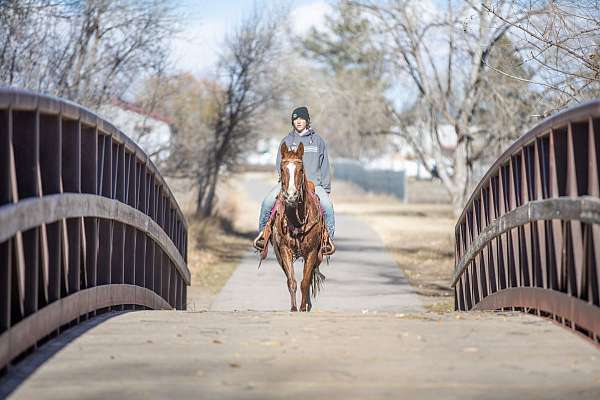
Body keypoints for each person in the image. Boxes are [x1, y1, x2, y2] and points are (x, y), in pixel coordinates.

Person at [253, 106, 335, 255]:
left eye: (301, 119)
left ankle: (326, 241)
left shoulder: (317, 141)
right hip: (289, 185)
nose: (298, 122)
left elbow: (324, 165)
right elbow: (280, 163)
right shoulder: (287, 140)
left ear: (307, 121)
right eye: (295, 119)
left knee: (328, 208)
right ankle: (263, 238)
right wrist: (286, 184)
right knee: (266, 203)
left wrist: (326, 189)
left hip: (315, 185)